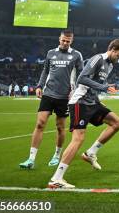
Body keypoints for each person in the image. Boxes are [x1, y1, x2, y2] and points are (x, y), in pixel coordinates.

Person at [48, 39, 119, 189]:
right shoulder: (98, 59)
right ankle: (56, 178)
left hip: (92, 102)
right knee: (78, 139)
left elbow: (94, 84)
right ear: (112, 49)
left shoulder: (110, 65)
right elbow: (82, 78)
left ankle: (90, 153)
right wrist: (103, 87)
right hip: (80, 102)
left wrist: (98, 99)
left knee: (117, 123)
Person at [19, 31, 83, 169]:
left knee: (60, 127)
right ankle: (31, 159)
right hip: (48, 94)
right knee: (40, 124)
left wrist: (75, 91)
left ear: (71, 41)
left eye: (68, 41)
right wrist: (39, 86)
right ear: (59, 39)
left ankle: (56, 155)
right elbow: (45, 71)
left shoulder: (76, 55)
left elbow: (81, 75)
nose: (65, 43)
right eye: (63, 40)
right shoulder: (50, 53)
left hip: (64, 97)